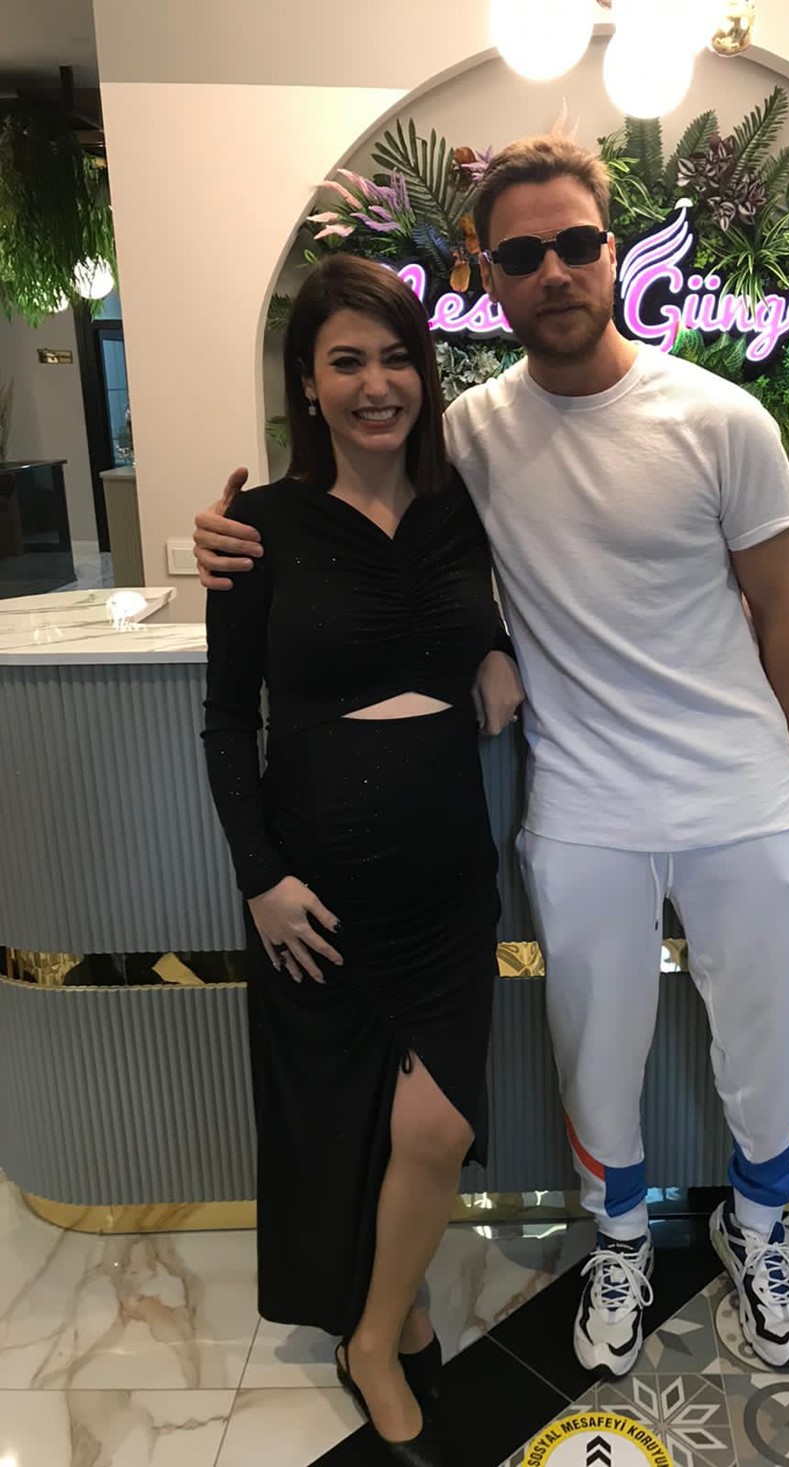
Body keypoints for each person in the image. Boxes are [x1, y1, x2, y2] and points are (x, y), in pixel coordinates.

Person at [195, 135, 789, 1378]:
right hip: (583, 802)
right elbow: (384, 543)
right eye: (523, 253)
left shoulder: (723, 417)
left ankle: (762, 1230)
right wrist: (225, 535)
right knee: (595, 1048)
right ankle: (619, 1240)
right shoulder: (468, 438)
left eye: (576, 243)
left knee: (763, 1040)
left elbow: (783, 616)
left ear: (615, 250)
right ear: (487, 274)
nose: (554, 270)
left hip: (739, 791)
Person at [201, 252, 522, 1464]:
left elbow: (490, 611)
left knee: (435, 1128)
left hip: (446, 878)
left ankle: (370, 1339)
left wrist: (494, 650)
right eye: (346, 361)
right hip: (316, 890)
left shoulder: (461, 510)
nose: (375, 384)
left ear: (424, 376)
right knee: (345, 1128)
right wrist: (259, 878)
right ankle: (392, 1319)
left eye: (395, 359)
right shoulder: (256, 529)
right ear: (306, 381)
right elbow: (226, 721)